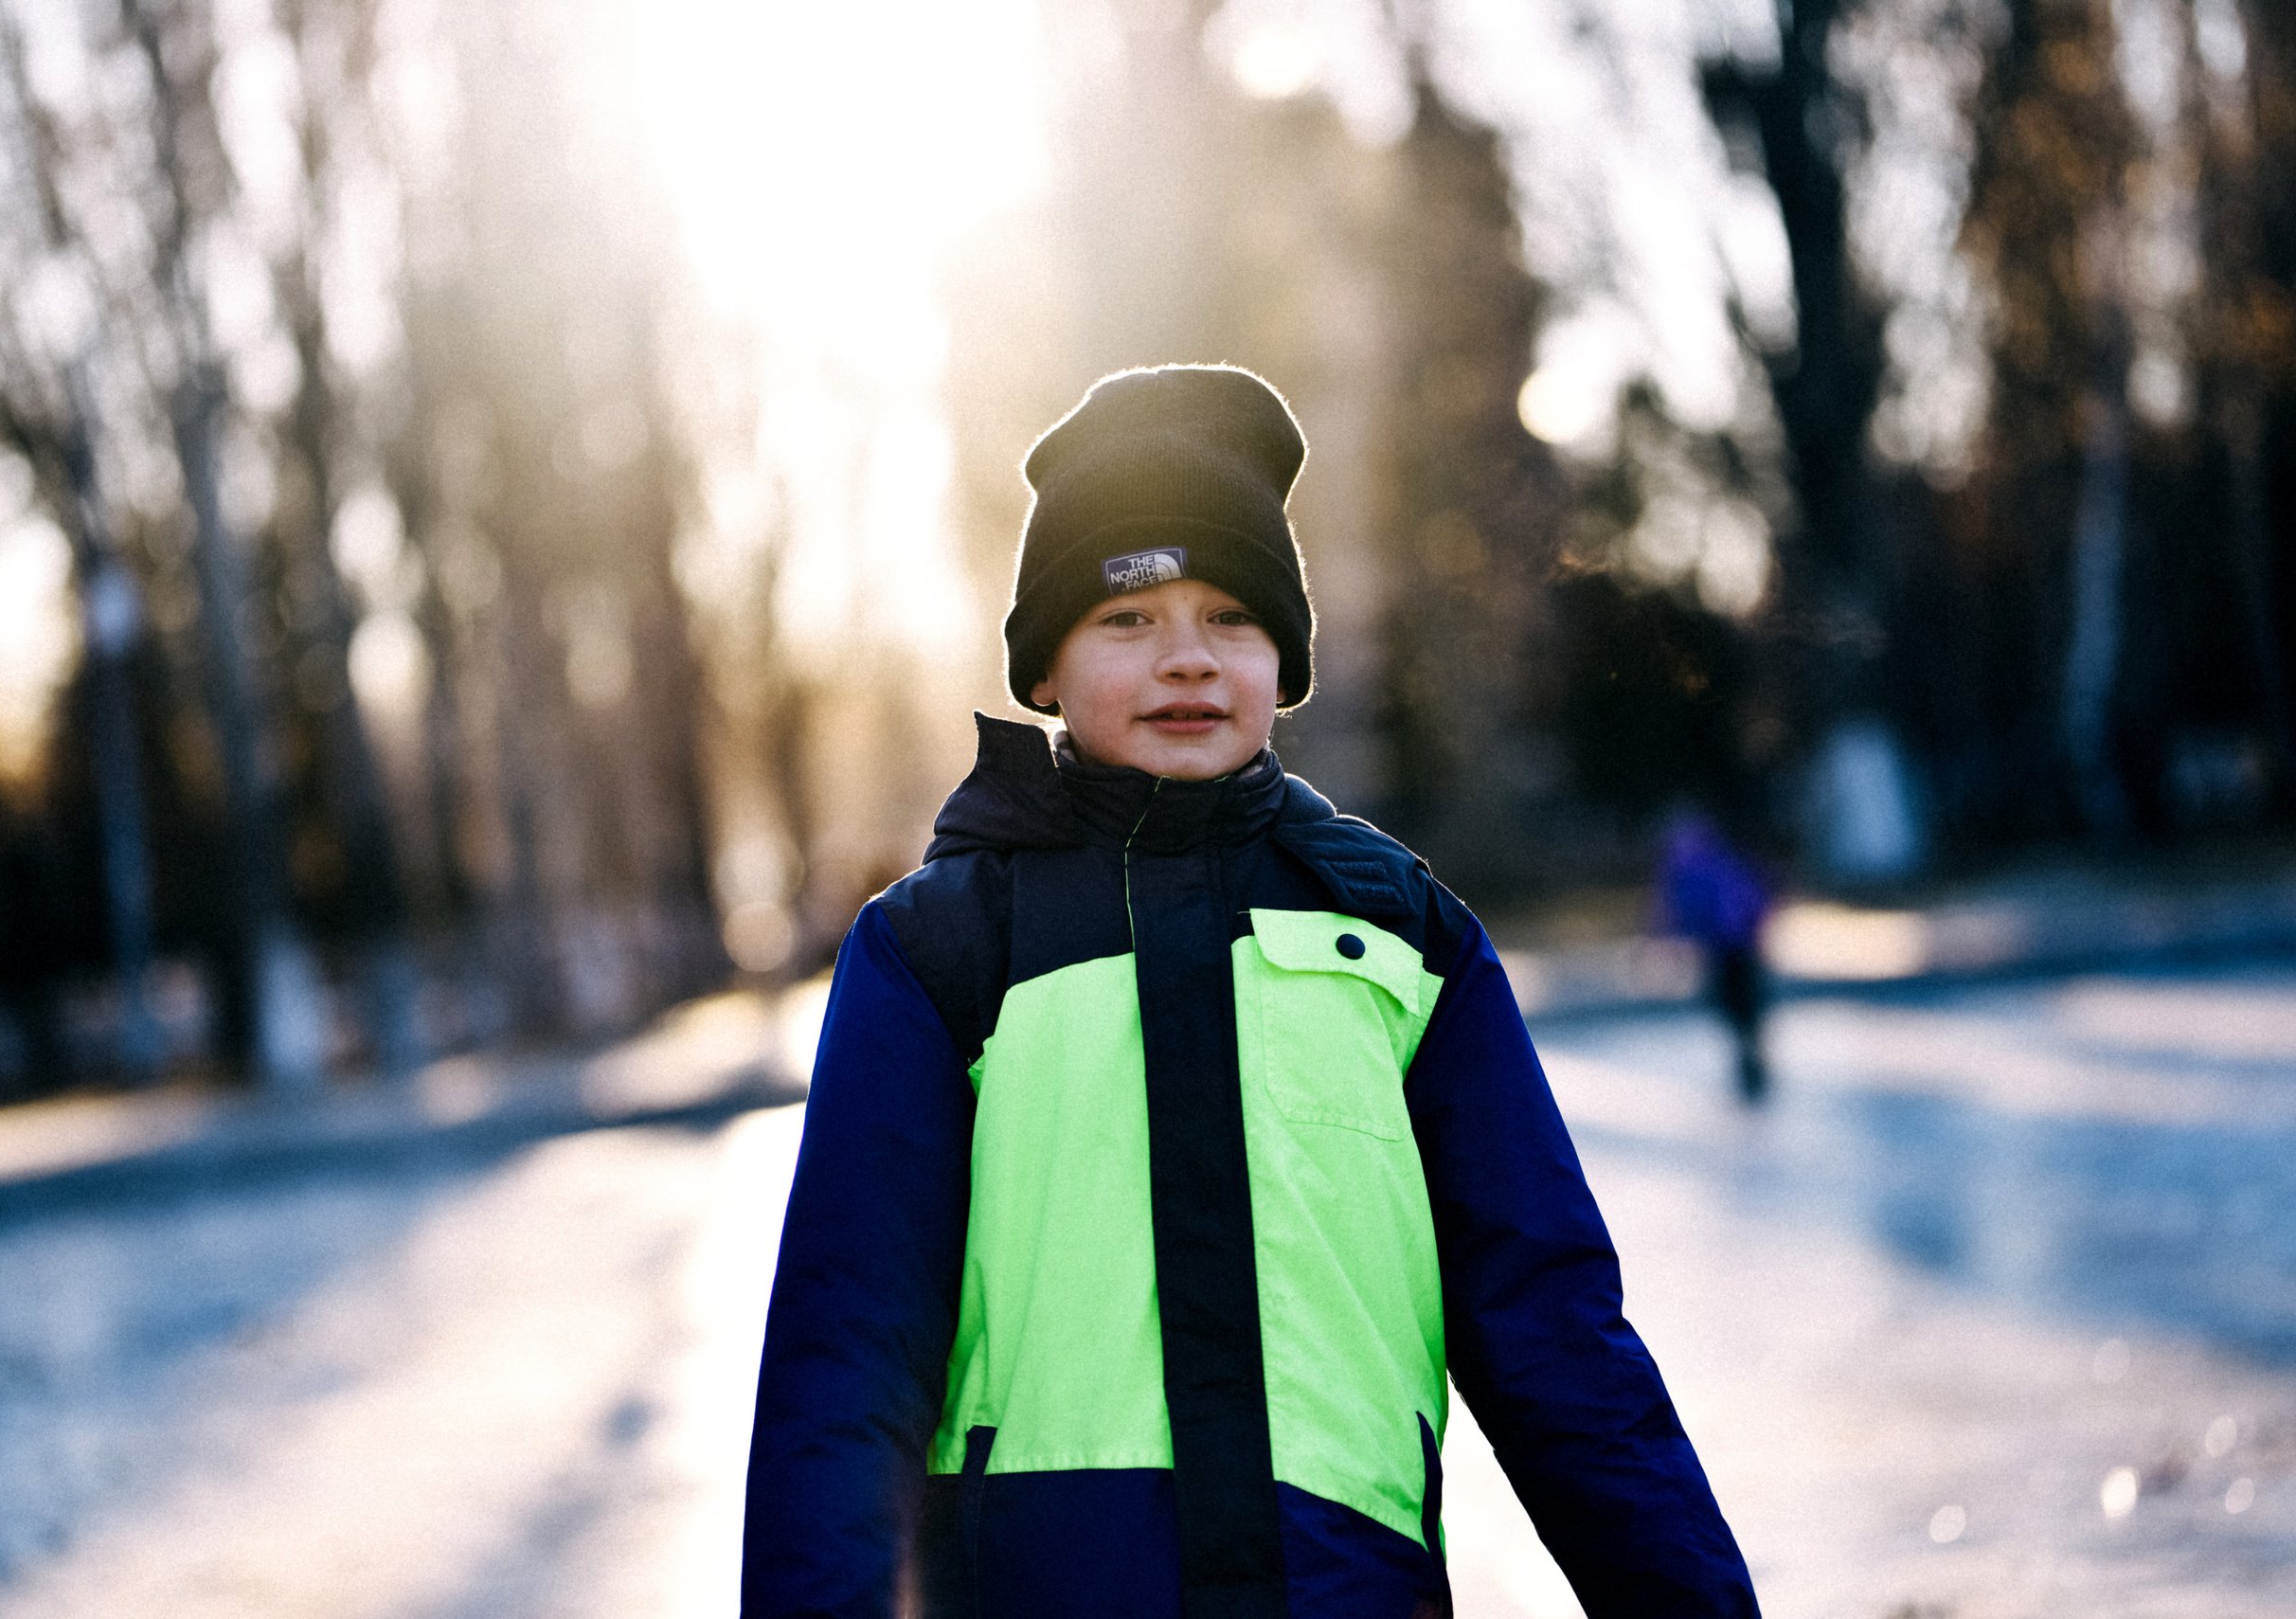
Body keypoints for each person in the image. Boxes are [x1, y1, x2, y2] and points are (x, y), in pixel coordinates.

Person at [743, 366, 1757, 1618]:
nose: (1185, 659)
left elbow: (1556, 1334)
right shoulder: (945, 951)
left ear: (1285, 651)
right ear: (1046, 665)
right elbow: (846, 1361)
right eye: (1127, 617)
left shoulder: (1398, 940)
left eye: (1230, 615)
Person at [1653, 808, 1774, 1105]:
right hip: (1737, 945)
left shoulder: (1688, 867)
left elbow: (1677, 912)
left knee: (1735, 1005)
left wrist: (1671, 946)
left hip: (1726, 947)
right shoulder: (1722, 859)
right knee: (1743, 1006)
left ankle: (1749, 1058)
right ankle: (1751, 1057)